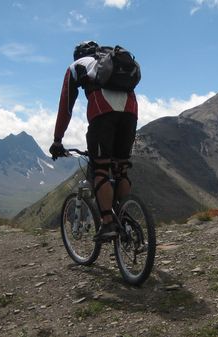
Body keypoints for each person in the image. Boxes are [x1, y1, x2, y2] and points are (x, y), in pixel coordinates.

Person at [50, 40, 138, 243]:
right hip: (131, 112)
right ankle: (124, 219)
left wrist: (57, 140)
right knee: (121, 169)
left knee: (101, 169)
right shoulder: (111, 62)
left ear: (77, 55)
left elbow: (66, 107)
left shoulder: (76, 66)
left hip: (103, 113)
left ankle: (108, 223)